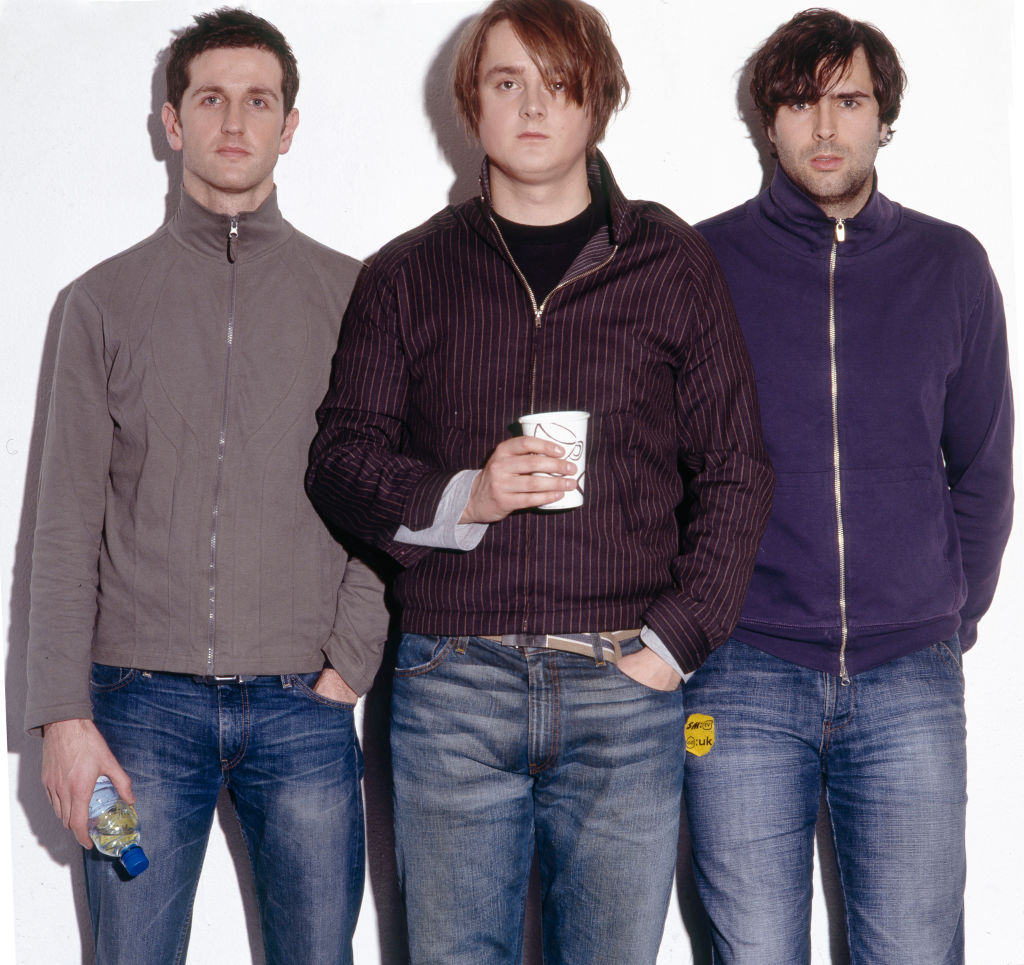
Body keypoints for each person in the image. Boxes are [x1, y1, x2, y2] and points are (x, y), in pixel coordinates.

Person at [304, 1, 773, 962]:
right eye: (506, 81)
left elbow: (737, 467)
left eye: (557, 83)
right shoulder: (408, 272)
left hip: (624, 680)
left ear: (597, 101)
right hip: (451, 684)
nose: (531, 106)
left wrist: (673, 645)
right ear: (470, 104)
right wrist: (464, 497)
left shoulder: (670, 262)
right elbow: (340, 459)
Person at [26, 9, 387, 964]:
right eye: (211, 98)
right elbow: (62, 524)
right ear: (172, 122)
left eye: (258, 101)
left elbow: (388, 499)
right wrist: (62, 717)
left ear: (289, 126)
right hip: (137, 710)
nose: (235, 120)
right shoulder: (100, 303)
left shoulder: (356, 298)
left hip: (305, 706)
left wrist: (350, 660)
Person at [685, 9, 1014, 964]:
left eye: (850, 101)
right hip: (741, 669)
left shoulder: (950, 266)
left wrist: (943, 617)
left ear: (884, 117)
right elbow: (666, 468)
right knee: (751, 951)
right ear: (768, 121)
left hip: (910, 672)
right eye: (800, 103)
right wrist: (698, 619)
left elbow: (985, 469)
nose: (825, 127)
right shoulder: (703, 264)